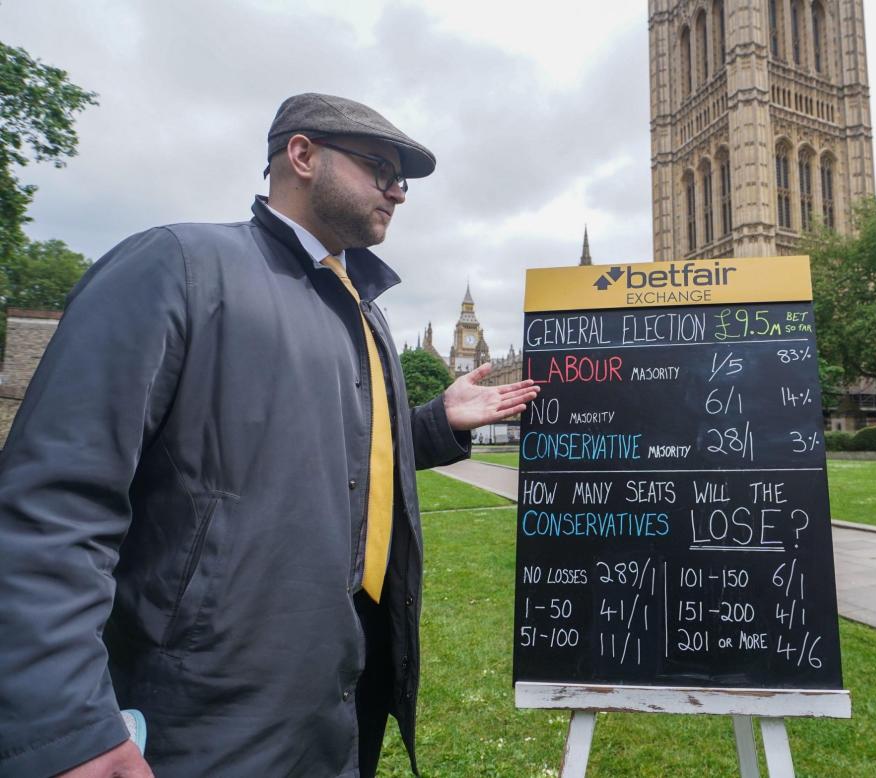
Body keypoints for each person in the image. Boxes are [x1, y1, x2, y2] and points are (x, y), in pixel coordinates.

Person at [0, 93, 537, 778]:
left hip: (340, 689)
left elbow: (331, 454)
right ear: (302, 156)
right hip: (208, 706)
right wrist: (65, 725)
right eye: (379, 167)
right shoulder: (178, 265)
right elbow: (53, 503)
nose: (398, 191)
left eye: (402, 179)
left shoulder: (363, 313)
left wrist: (436, 422)